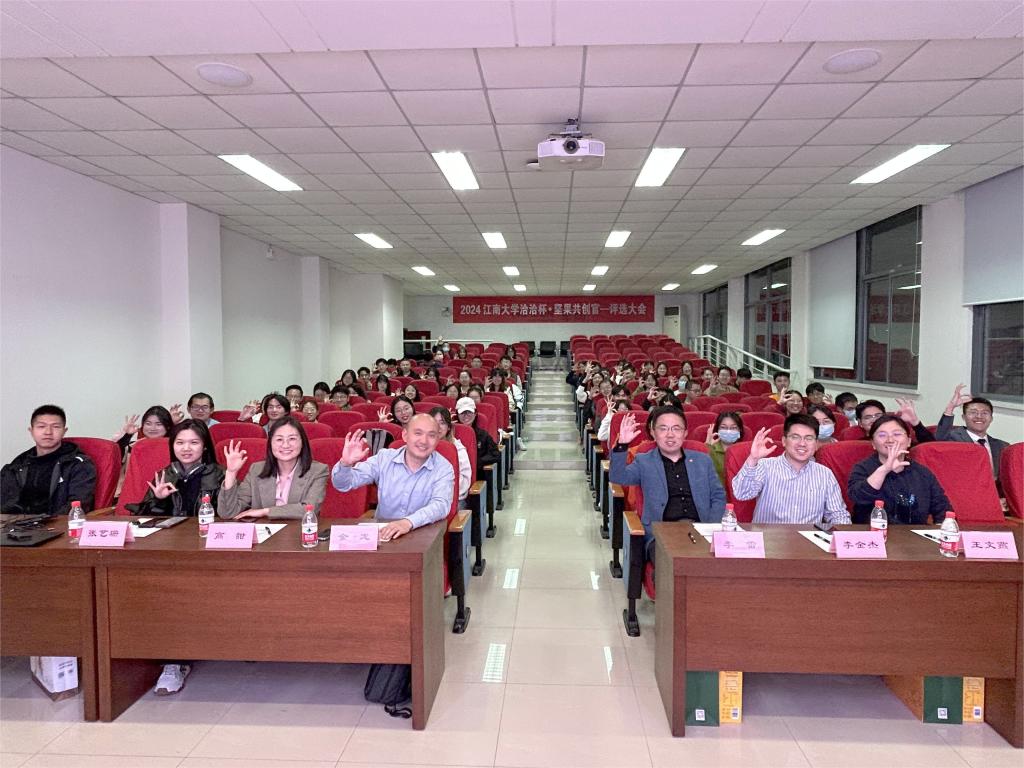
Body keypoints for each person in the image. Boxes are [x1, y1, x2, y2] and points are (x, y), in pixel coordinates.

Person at [609, 406, 726, 564]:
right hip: (661, 532)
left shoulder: (702, 460)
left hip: (701, 528)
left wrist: (710, 527)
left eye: (676, 429)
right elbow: (617, 477)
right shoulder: (644, 461)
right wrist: (622, 445)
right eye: (663, 429)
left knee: (722, 565)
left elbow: (718, 496)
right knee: (673, 566)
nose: (670, 434)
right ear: (653, 433)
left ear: (685, 433)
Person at [332, 414, 454, 542]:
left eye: (431, 435)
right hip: (384, 535)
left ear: (438, 439)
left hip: (422, 536)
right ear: (405, 435)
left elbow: (441, 505)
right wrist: (345, 464)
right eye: (418, 433)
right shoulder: (384, 458)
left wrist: (408, 522)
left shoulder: (443, 467)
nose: (424, 441)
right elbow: (343, 484)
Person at [731, 414, 849, 526]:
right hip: (769, 537)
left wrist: (845, 535)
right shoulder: (765, 466)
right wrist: (753, 459)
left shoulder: (825, 474)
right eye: (795, 437)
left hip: (808, 539)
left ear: (816, 443)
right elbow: (741, 493)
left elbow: (837, 514)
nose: (802, 443)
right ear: (784, 441)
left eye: (809, 438)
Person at [218, 416, 328, 520]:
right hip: (264, 532)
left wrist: (265, 511)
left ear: (302, 442)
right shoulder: (257, 469)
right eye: (279, 439)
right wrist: (231, 473)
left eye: (292, 439)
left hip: (300, 531)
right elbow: (227, 513)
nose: (285, 445)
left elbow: (309, 509)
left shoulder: (318, 471)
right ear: (270, 443)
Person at [848, 415, 951, 525]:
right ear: (873, 443)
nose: (890, 440)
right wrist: (885, 469)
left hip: (914, 534)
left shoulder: (922, 473)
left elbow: (943, 509)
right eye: (882, 435)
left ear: (909, 441)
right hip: (873, 532)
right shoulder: (863, 468)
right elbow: (858, 497)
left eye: (897, 434)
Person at [1, 405, 97, 515]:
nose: (48, 432)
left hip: (58, 523)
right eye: (41, 426)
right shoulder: (17, 465)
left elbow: (77, 506)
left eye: (55, 427)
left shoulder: (78, 464)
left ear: (64, 431)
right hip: (18, 524)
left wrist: (46, 522)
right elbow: (5, 504)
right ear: (31, 431)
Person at [127, 419, 224, 517]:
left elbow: (226, 515)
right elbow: (144, 518)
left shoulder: (220, 475)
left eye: (194, 442)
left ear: (205, 446)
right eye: (180, 443)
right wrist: (159, 500)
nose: (186, 448)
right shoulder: (165, 475)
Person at [936, 384, 1009, 482]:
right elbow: (938, 441)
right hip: (964, 488)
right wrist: (950, 408)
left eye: (984, 413)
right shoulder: (954, 438)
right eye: (973, 412)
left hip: (993, 490)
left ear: (991, 418)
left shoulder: (1002, 446)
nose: (979, 416)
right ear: (963, 417)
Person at [429, 406, 470, 504]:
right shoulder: (421, 447)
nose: (438, 427)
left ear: (448, 427)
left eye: (442, 423)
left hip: (452, 500)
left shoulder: (458, 449)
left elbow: (463, 484)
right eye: (434, 423)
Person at [455, 397, 501, 479]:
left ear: (475, 413)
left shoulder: (483, 435)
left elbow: (495, 455)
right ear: (457, 415)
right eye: (462, 413)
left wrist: (477, 462)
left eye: (469, 412)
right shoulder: (451, 434)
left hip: (477, 476)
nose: (466, 416)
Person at [706, 411, 744, 485]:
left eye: (733, 428)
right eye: (723, 427)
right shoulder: (710, 448)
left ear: (740, 430)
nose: (728, 431)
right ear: (717, 430)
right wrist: (707, 446)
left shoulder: (745, 451)